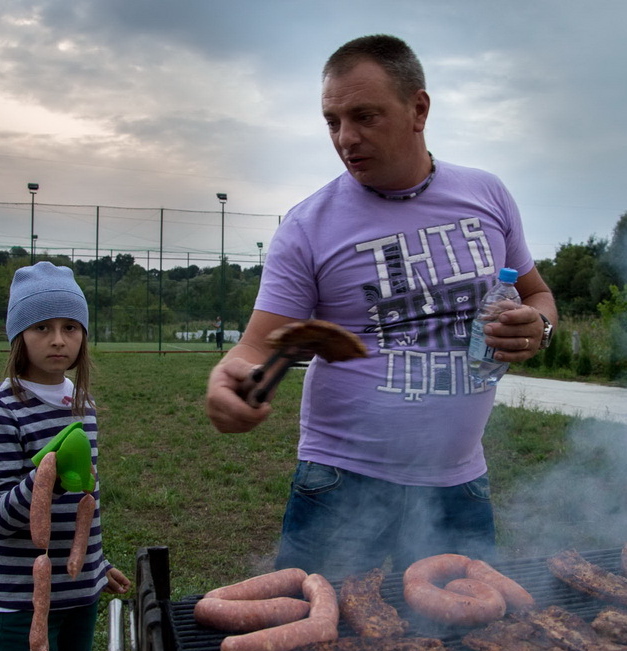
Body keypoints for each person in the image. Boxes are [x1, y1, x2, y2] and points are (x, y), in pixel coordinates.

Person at [205, 35, 558, 581]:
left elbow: (537, 293)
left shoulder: (487, 195)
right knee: (314, 648)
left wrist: (542, 327)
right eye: (332, 121)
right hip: (342, 481)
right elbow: (257, 346)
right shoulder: (307, 227)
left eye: (365, 116)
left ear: (419, 109)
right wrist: (233, 379)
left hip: (458, 482)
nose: (346, 138)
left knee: (466, 649)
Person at [0, 261, 131, 651]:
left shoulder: (83, 405)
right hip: (20, 603)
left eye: (71, 327)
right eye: (42, 327)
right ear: (18, 335)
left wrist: (98, 564)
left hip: (80, 596)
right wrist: (44, 477)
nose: (59, 340)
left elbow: (83, 502)